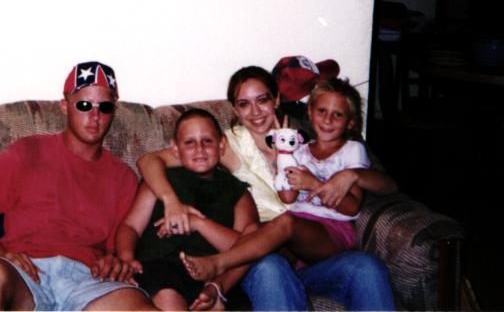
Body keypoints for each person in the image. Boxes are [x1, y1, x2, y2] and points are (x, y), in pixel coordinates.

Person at [137, 64, 396, 311]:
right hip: (261, 256)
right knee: (272, 265)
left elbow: (387, 185)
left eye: (262, 100)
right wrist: (171, 201)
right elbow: (149, 160)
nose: (255, 112)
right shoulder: (225, 145)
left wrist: (351, 175)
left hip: (312, 250)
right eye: (244, 104)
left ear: (276, 99)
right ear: (235, 109)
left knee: (366, 266)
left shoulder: (304, 138)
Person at [0, 61, 158, 311]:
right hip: (27, 274)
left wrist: (114, 262)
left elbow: (119, 248)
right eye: (84, 105)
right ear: (65, 105)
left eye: (104, 107)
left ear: (113, 110)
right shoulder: (28, 151)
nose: (95, 116)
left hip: (88, 281)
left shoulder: (123, 177)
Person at [180, 78, 371, 280]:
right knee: (254, 232)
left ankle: (219, 263)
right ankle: (218, 289)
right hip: (298, 234)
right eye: (322, 111)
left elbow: (353, 207)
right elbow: (287, 198)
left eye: (337, 115)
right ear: (310, 112)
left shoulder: (352, 149)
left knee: (285, 222)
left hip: (331, 230)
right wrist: (284, 156)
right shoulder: (300, 149)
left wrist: (314, 183)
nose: (328, 120)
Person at [115, 109, 257, 310]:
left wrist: (197, 223)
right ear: (175, 148)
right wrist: (127, 258)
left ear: (221, 144)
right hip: (161, 266)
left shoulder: (238, 192)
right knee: (167, 295)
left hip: (212, 275)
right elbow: (130, 227)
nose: (199, 149)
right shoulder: (160, 181)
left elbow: (244, 248)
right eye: (189, 143)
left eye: (207, 141)